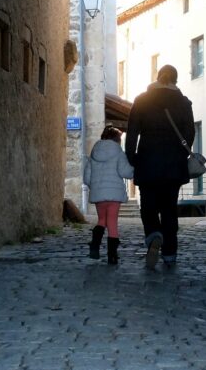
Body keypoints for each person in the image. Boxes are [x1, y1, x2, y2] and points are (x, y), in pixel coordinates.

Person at [125, 64, 195, 269]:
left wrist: (132, 157)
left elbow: (132, 133)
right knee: (169, 209)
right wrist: (181, 154)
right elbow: (190, 133)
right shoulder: (183, 103)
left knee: (147, 206)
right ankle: (170, 253)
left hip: (148, 162)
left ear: (157, 77)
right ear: (176, 79)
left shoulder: (141, 101)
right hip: (174, 165)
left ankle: (154, 234)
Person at [83, 125, 134, 265]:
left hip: (99, 193)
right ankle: (112, 256)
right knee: (112, 222)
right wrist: (134, 169)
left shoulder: (94, 152)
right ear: (117, 140)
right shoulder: (118, 152)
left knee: (101, 220)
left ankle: (94, 246)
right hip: (114, 193)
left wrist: (95, 185)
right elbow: (125, 172)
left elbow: (87, 177)